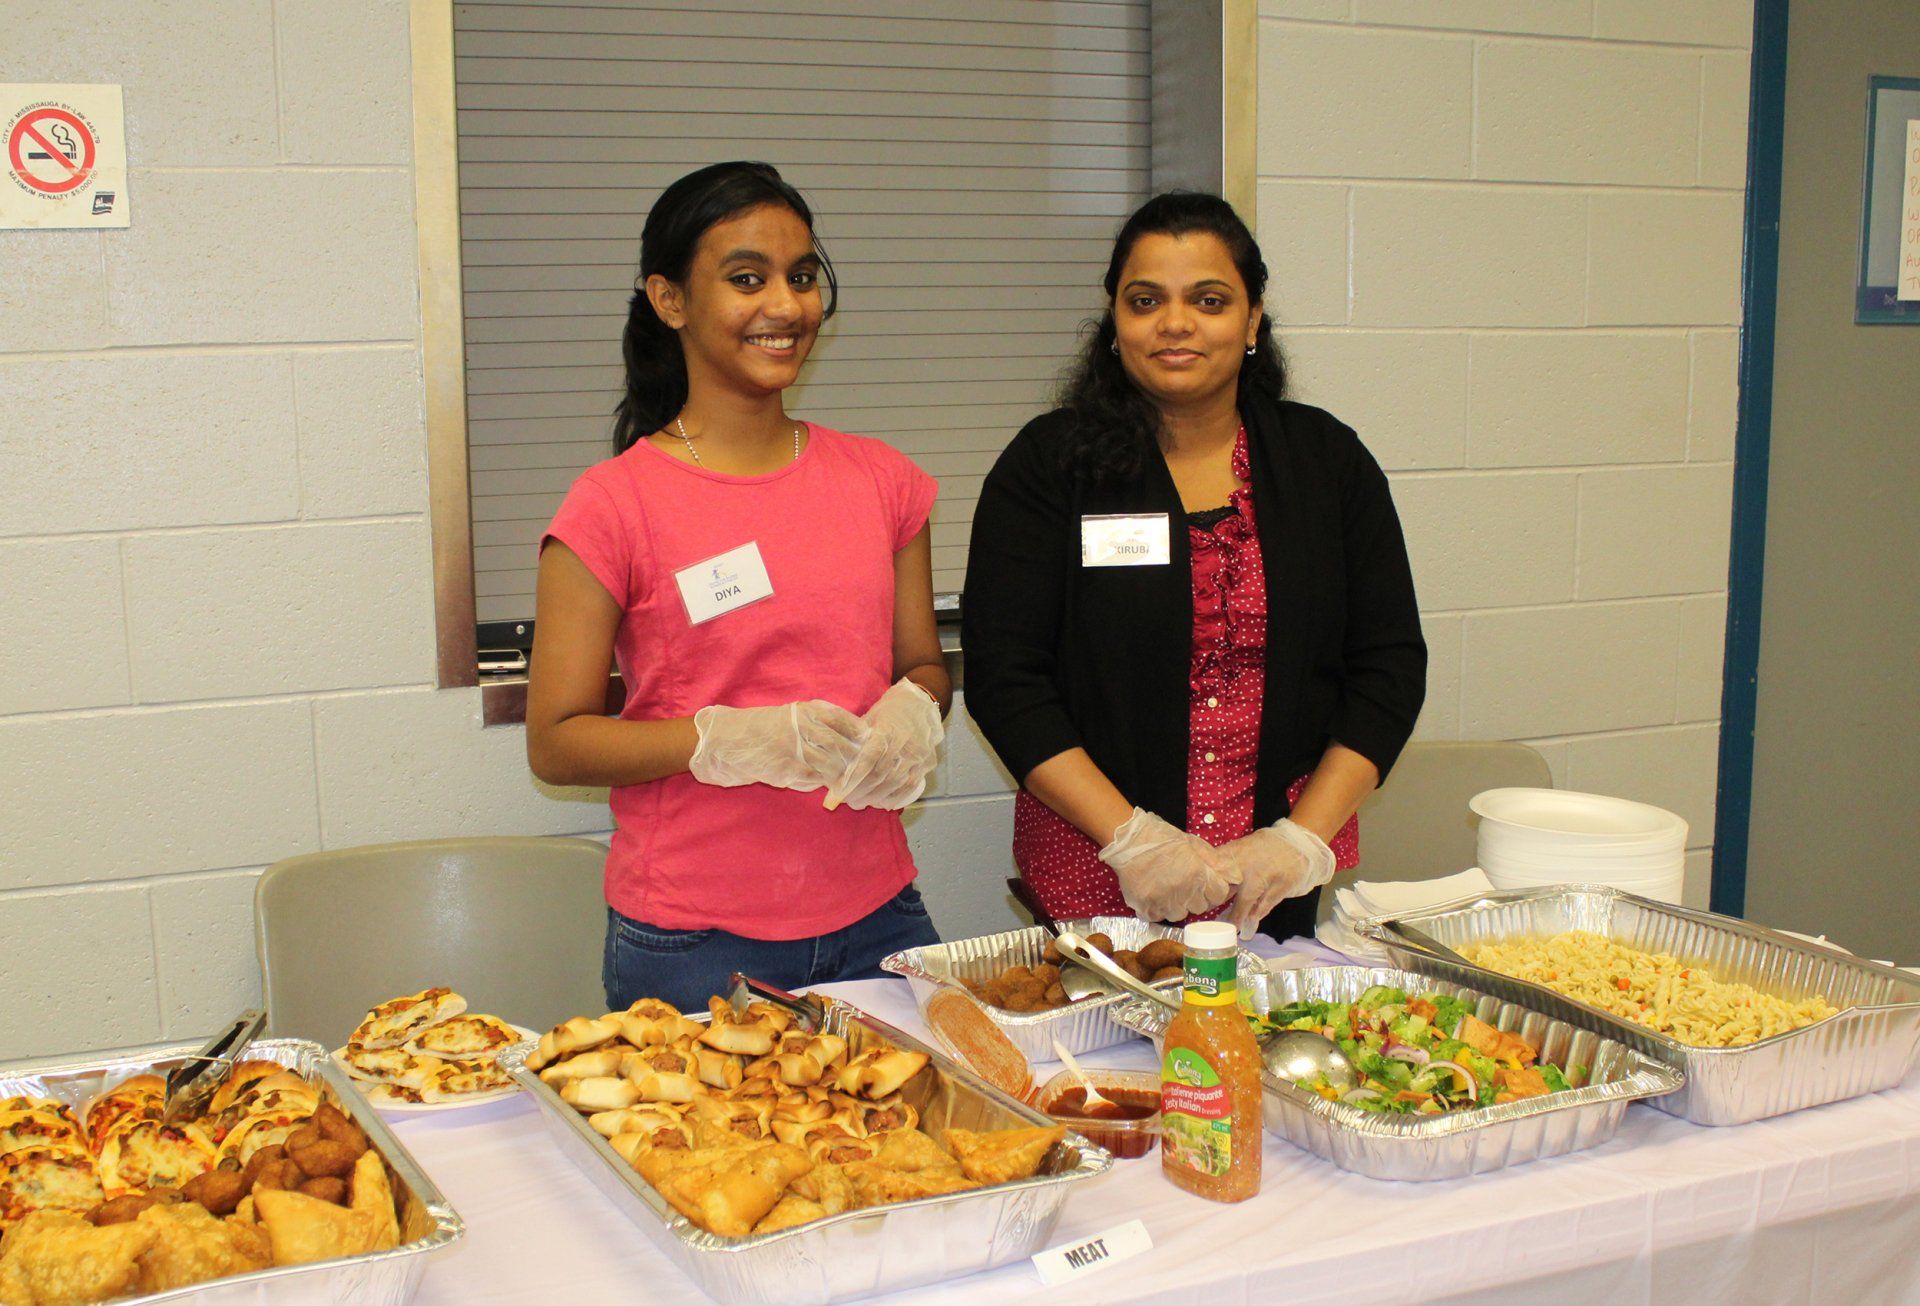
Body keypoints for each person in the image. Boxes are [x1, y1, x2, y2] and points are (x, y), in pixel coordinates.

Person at [526, 161, 949, 1011]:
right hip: (693, 944)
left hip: (880, 918)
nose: (785, 307)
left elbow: (924, 666)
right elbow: (558, 742)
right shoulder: (613, 504)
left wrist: (915, 711)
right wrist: (724, 740)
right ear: (669, 299)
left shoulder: (883, 482)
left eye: (801, 278)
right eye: (746, 279)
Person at [961, 191, 1426, 942]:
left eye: (1208, 300)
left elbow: (1389, 668)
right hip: (1101, 867)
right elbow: (1007, 680)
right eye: (1145, 300)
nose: (1175, 323)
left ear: (1251, 320)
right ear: (1115, 320)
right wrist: (1131, 838)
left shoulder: (1326, 462)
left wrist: (1300, 839)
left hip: (1272, 877)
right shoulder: (1049, 467)